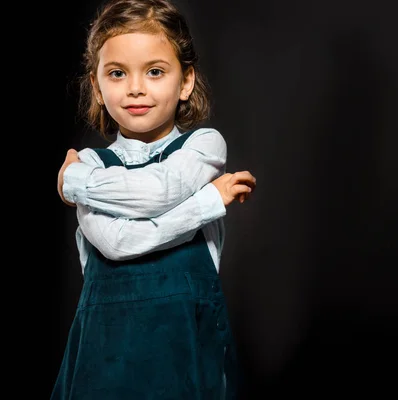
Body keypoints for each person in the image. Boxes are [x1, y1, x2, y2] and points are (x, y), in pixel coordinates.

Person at [51, 0, 256, 398]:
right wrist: (206, 204)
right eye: (116, 73)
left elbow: (161, 191)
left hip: (187, 355)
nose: (135, 88)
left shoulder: (204, 147)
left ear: (186, 82)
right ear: (96, 86)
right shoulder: (93, 162)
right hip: (103, 364)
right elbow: (116, 243)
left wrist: (74, 181)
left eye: (155, 72)